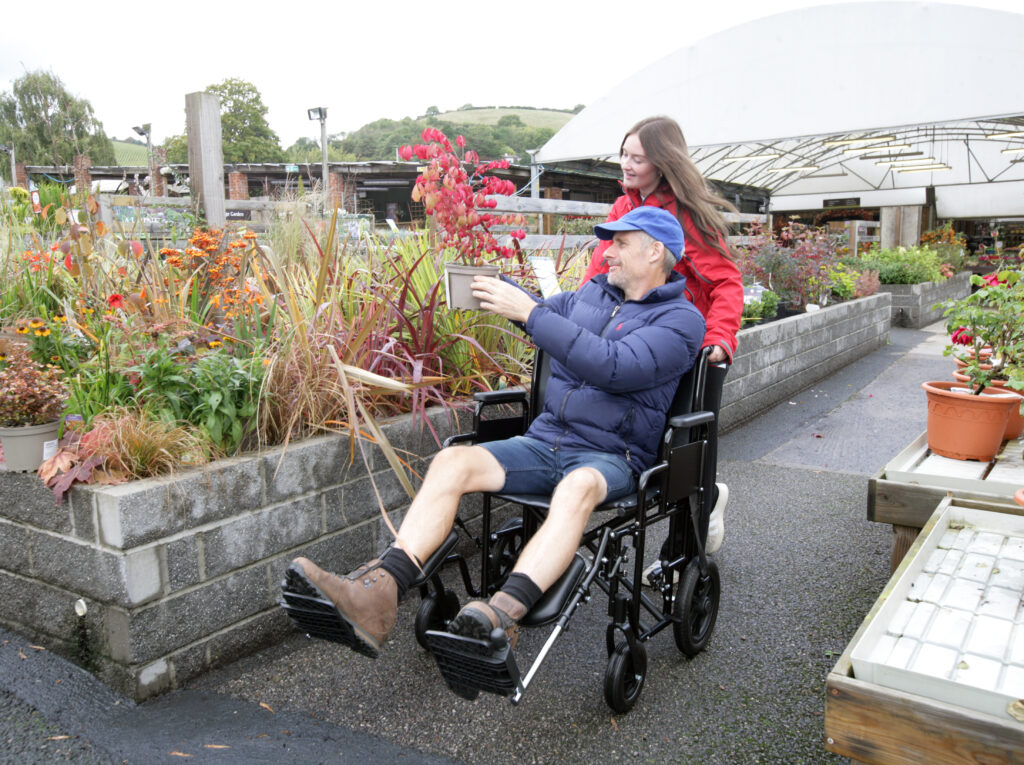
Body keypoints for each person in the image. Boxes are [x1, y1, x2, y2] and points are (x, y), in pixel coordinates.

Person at [281, 207, 705, 658]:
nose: (609, 253)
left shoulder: (681, 322)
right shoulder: (591, 296)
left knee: (577, 486)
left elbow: (615, 366)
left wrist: (533, 314)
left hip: (610, 457)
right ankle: (377, 596)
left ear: (655, 251)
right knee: (453, 461)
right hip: (546, 442)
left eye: (620, 243)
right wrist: (489, 286)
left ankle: (499, 616)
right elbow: (535, 311)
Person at [581, 115, 743, 575]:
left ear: (663, 162)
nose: (626, 165)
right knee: (650, 443)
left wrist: (718, 340)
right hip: (639, 338)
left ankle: (680, 554)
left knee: (689, 449)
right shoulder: (621, 210)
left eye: (637, 157)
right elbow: (600, 273)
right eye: (623, 154)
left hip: (693, 345)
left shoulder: (686, 214)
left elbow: (728, 282)